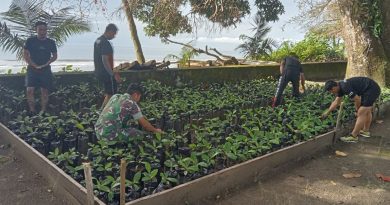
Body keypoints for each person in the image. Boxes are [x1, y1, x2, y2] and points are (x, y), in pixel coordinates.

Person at [95, 84, 163, 142]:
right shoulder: (131, 103)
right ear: (136, 95)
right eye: (140, 96)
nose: (139, 99)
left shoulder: (115, 96)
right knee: (139, 134)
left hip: (98, 131)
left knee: (127, 126)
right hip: (108, 135)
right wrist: (156, 131)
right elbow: (145, 125)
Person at [322, 77, 381, 143]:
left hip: (371, 89)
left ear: (335, 87)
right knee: (366, 111)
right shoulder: (340, 87)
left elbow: (357, 99)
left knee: (361, 112)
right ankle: (365, 131)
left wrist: (357, 110)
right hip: (369, 89)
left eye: (331, 90)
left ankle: (353, 136)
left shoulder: (345, 87)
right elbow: (337, 102)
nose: (332, 92)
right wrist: (327, 112)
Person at [23, 21, 58, 114]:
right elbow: (25, 54)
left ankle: (43, 111)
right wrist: (34, 65)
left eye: (44, 30)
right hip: (32, 69)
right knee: (29, 90)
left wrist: (46, 64)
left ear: (46, 30)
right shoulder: (30, 41)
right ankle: (32, 111)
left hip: (45, 69)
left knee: (45, 91)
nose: (42, 32)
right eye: (40, 29)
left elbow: (55, 56)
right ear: (36, 30)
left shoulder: (51, 42)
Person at [94, 23, 121, 108]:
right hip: (106, 73)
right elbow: (105, 60)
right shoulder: (105, 43)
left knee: (108, 94)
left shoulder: (97, 41)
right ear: (110, 31)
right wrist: (112, 74)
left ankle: (101, 112)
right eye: (114, 34)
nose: (114, 36)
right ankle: (103, 114)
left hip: (99, 71)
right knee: (111, 94)